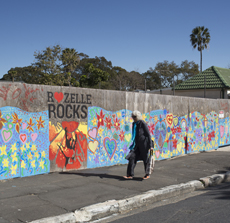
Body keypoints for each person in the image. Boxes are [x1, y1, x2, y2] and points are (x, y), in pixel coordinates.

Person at [124, 110, 154, 180]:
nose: (133, 118)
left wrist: (150, 146)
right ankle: (129, 175)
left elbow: (148, 135)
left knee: (145, 159)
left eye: (135, 117)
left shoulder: (142, 123)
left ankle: (147, 174)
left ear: (138, 116)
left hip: (144, 145)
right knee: (132, 158)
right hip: (136, 145)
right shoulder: (134, 124)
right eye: (132, 117)